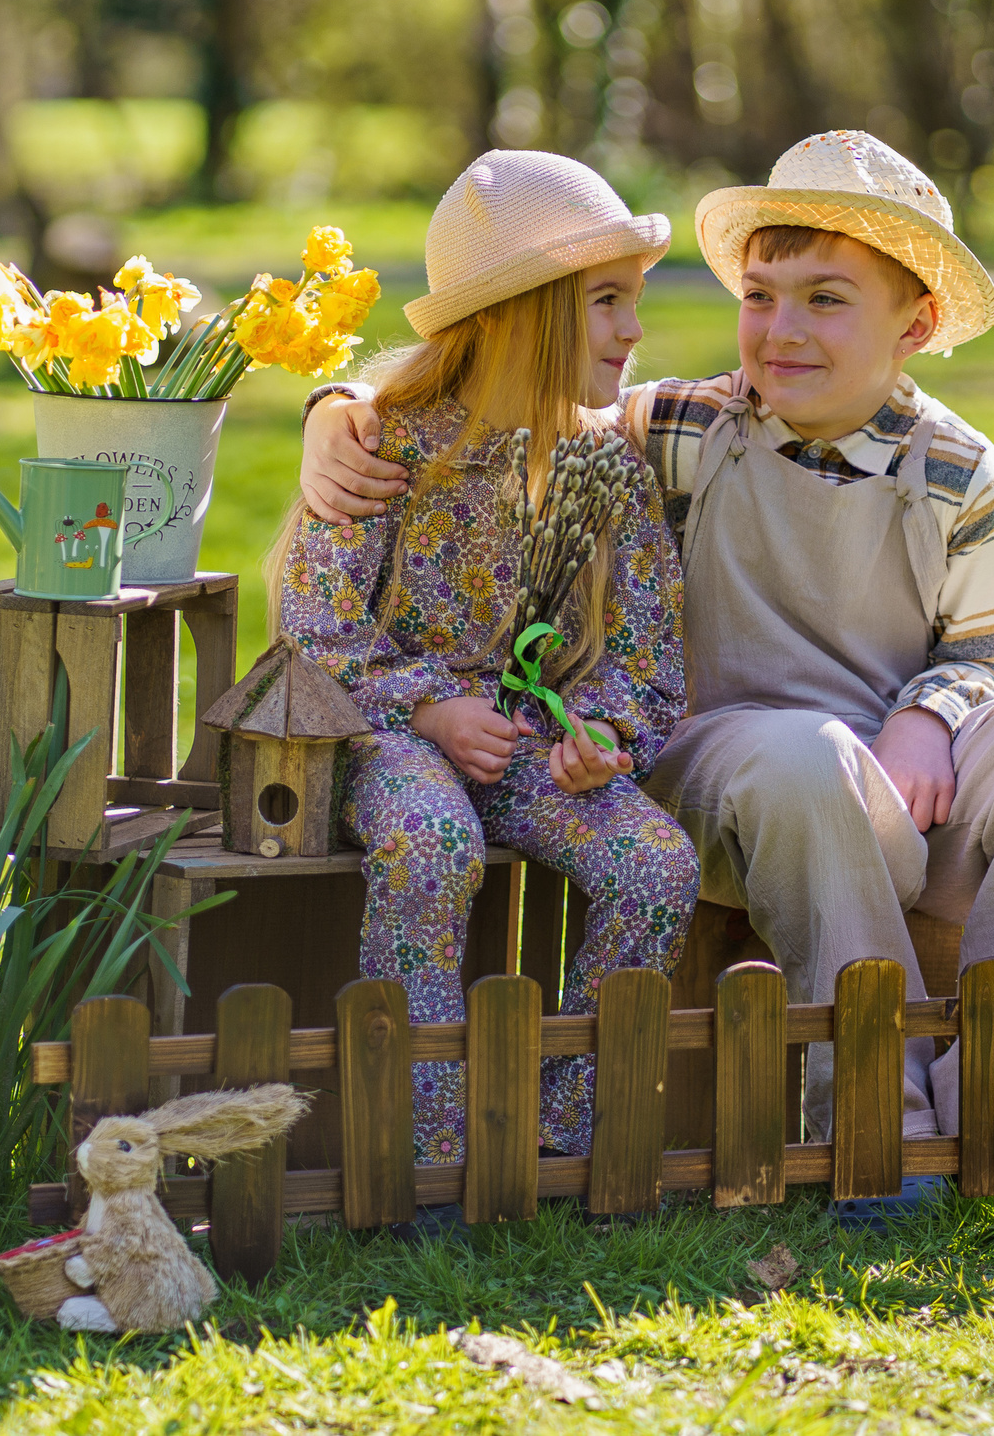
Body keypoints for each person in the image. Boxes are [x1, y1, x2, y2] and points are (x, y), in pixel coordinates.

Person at [301, 131, 994, 1208]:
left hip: (902, 770)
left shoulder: (960, 476)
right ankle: (875, 1129)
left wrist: (932, 715)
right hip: (729, 761)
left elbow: (983, 650)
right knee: (807, 757)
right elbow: (495, 381)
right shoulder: (677, 427)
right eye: (760, 295)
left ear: (916, 325)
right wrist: (336, 405)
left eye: (826, 300)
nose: (780, 330)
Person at [274, 148, 702, 1175]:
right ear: (520, 312)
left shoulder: (604, 465)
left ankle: (556, 1128)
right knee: (431, 841)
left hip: (526, 744)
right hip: (379, 737)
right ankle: (418, 1140)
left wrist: (598, 736)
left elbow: (645, 655)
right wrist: (426, 711)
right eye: (605, 302)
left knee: (657, 868)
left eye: (633, 302)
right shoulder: (383, 446)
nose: (632, 330)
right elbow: (314, 636)